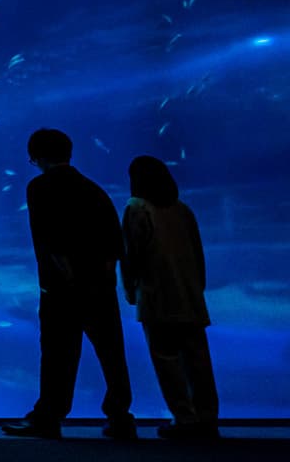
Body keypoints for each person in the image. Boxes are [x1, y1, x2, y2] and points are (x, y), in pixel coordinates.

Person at [2, 128, 135, 440]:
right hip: (101, 287)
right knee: (112, 352)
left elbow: (51, 238)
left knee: (58, 354)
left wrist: (70, 277)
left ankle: (48, 416)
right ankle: (120, 415)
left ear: (35, 157)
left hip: (61, 290)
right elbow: (113, 242)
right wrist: (101, 279)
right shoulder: (95, 190)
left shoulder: (39, 187)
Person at [122, 155, 219, 440]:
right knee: (198, 361)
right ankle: (207, 419)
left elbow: (131, 256)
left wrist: (130, 289)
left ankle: (185, 420)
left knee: (167, 360)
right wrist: (197, 289)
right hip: (189, 296)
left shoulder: (136, 208)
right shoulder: (182, 209)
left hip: (157, 297)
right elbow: (198, 256)